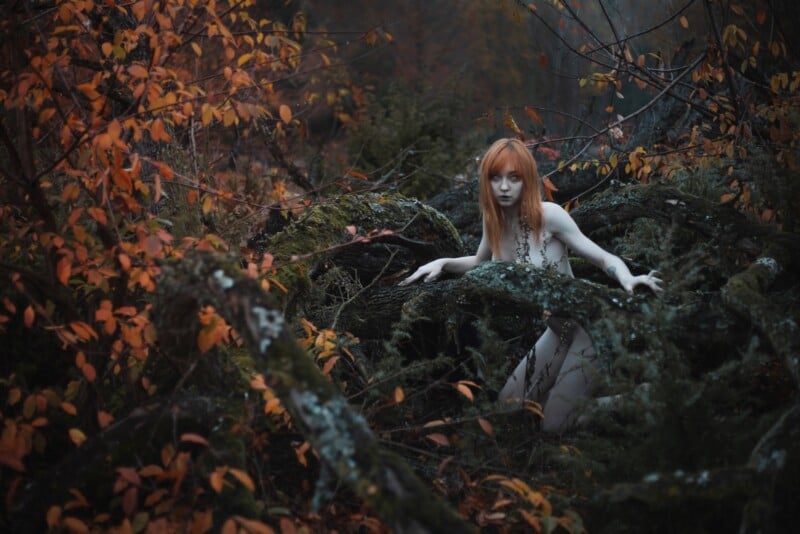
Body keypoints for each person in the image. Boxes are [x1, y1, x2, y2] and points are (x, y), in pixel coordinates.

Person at [399, 138, 662, 432]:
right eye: (495, 178)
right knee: (506, 411)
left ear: (527, 180)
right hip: (557, 330)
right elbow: (480, 263)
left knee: (553, 427)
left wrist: (628, 279)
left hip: (590, 327)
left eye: (514, 178)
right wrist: (443, 262)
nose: (504, 187)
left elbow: (602, 257)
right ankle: (563, 401)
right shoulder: (493, 222)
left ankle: (643, 396)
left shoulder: (549, 216)